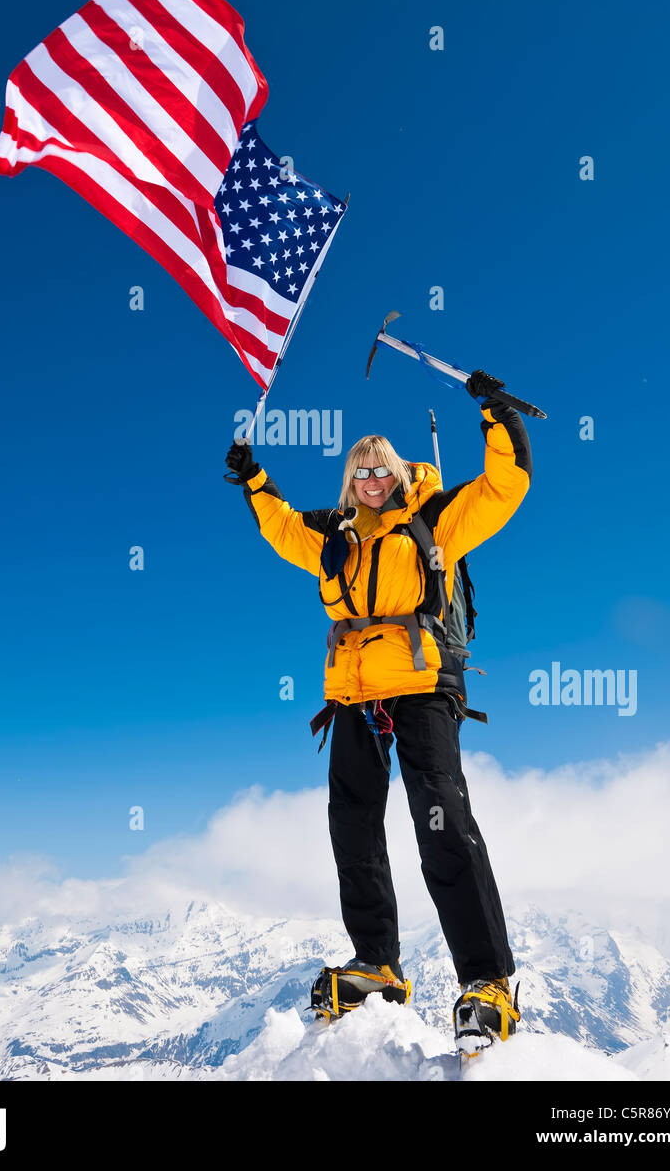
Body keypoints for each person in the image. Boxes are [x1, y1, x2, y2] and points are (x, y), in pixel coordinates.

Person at [224, 371, 532, 1049]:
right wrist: (253, 479)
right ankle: (378, 965)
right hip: (354, 696)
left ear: (397, 472)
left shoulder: (434, 518)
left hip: (422, 685)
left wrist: (496, 417)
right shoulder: (333, 534)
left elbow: (503, 489)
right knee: (353, 829)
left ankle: (487, 980)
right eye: (360, 469)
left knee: (440, 818)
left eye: (381, 467)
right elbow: (280, 528)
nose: (371, 477)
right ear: (349, 478)